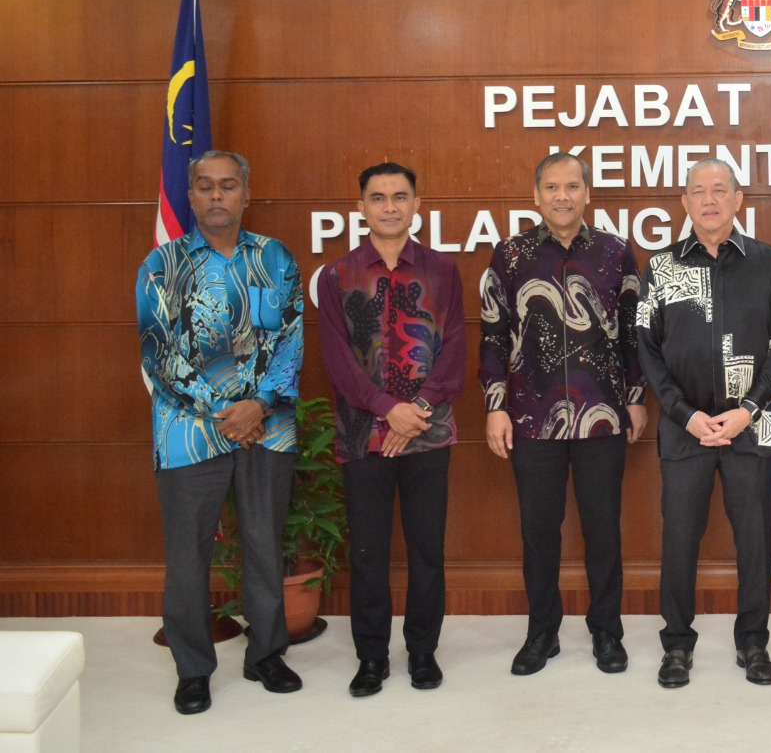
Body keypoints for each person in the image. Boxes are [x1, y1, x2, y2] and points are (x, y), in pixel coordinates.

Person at [136, 150, 303, 715]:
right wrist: (225, 412)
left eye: (227, 185)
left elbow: (291, 340)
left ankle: (266, 655)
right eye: (205, 186)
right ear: (190, 196)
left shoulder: (276, 258)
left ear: (245, 194)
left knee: (264, 543)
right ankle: (192, 670)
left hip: (268, 427)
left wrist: (259, 404)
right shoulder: (161, 264)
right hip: (187, 429)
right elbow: (159, 354)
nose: (216, 195)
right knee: (188, 556)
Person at [480, 152, 646, 677]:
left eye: (572, 186)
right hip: (531, 418)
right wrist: (495, 406)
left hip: (603, 417)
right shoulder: (511, 255)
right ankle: (542, 633)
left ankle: (607, 632)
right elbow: (492, 336)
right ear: (536, 196)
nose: (562, 196)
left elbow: (633, 333)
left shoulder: (615, 252)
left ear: (587, 193)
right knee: (538, 532)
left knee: (603, 531)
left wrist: (636, 397)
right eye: (552, 187)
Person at [637, 158, 771, 689]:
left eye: (720, 190)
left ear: (738, 199)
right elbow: (647, 351)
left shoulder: (767, 263)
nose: (709, 200)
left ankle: (753, 643)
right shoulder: (661, 266)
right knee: (679, 539)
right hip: (686, 428)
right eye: (699, 191)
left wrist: (748, 409)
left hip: (753, 424)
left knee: (754, 540)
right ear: (684, 203)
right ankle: (677, 645)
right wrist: (686, 415)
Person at [318, 162, 465, 697]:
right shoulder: (337, 275)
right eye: (377, 198)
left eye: (400, 196)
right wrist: (387, 409)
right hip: (363, 437)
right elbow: (338, 361)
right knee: (368, 554)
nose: (389, 207)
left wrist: (414, 410)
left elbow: (454, 352)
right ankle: (372, 658)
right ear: (361, 207)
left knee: (427, 551)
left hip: (428, 434)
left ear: (416, 205)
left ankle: (423, 652)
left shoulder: (443, 271)